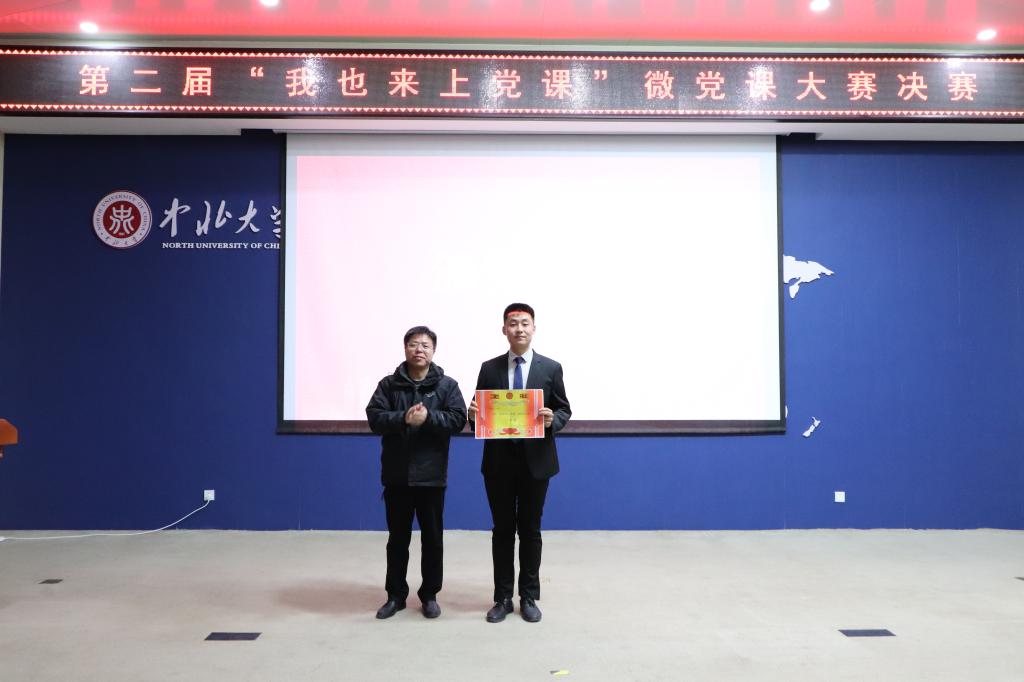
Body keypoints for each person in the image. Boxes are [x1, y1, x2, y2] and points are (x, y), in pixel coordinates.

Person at [468, 303, 571, 623]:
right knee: (502, 530)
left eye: (525, 323)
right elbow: (478, 412)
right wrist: (473, 415)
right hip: (498, 463)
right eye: (513, 323)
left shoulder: (550, 368)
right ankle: (502, 597)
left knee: (530, 529)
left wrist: (553, 419)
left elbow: (564, 409)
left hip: (536, 463)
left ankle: (528, 596)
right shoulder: (489, 368)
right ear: (504, 329)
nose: (519, 329)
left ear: (534, 328)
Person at [366, 325, 467, 620]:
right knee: (397, 539)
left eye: (425, 345)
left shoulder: (447, 386)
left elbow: (458, 420)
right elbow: (374, 418)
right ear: (405, 348)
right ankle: (395, 595)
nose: (419, 349)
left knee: (432, 540)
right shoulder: (389, 385)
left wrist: (428, 418)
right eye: (413, 344)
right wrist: (404, 419)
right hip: (397, 476)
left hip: (431, 476)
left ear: (433, 351)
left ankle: (430, 595)